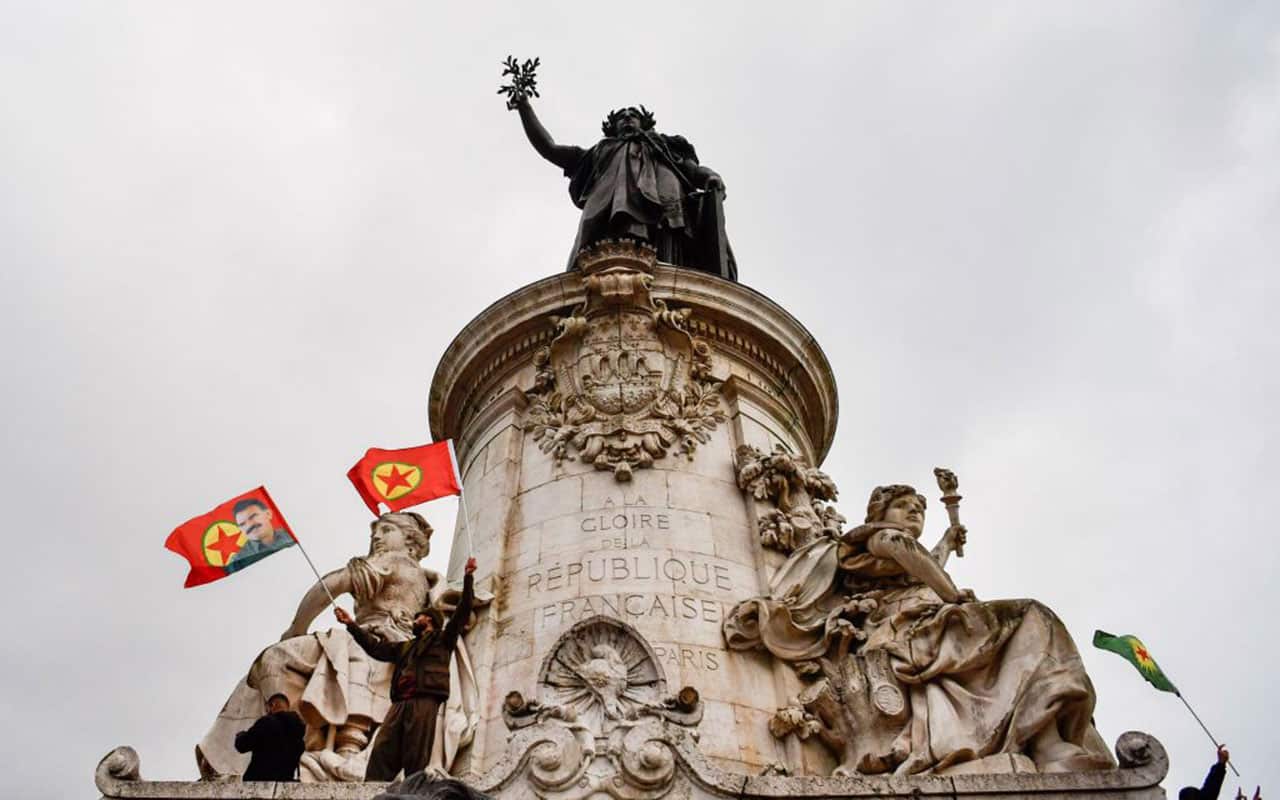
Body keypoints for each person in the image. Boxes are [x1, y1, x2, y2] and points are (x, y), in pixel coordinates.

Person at [725, 483, 1114, 774]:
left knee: (1029, 634)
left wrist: (944, 544)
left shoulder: (901, 555)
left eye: (919, 510)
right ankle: (1046, 744)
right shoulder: (874, 538)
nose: (914, 514)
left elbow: (919, 568)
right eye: (903, 506)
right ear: (880, 512)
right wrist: (953, 595)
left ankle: (1047, 741)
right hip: (906, 627)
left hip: (930, 621)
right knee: (1031, 619)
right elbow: (906, 553)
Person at [512, 96, 736, 280]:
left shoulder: (664, 146)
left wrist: (711, 176)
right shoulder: (599, 152)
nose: (627, 119)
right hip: (606, 210)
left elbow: (691, 171)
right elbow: (550, 149)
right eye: (622, 117)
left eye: (633, 116)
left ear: (643, 122)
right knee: (597, 255)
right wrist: (525, 107)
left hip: (665, 209)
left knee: (669, 265)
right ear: (613, 126)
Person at [336, 555, 477, 781]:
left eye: (418, 617)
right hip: (401, 702)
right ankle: (373, 789)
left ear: (428, 619)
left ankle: (414, 789)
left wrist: (468, 577)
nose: (414, 620)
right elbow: (376, 649)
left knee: (416, 749)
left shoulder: (444, 639)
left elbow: (463, 611)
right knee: (383, 747)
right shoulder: (406, 647)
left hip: (425, 699)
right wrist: (352, 625)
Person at [234, 693, 305, 782]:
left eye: (267, 708)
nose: (267, 712)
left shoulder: (267, 722)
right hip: (284, 783)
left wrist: (240, 736)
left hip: (258, 781)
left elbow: (242, 745)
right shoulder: (298, 732)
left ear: (272, 705)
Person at [225, 497, 295, 573]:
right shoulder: (238, 561)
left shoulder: (292, 533)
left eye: (253, 517)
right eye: (242, 524)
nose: (249, 525)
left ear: (268, 514)